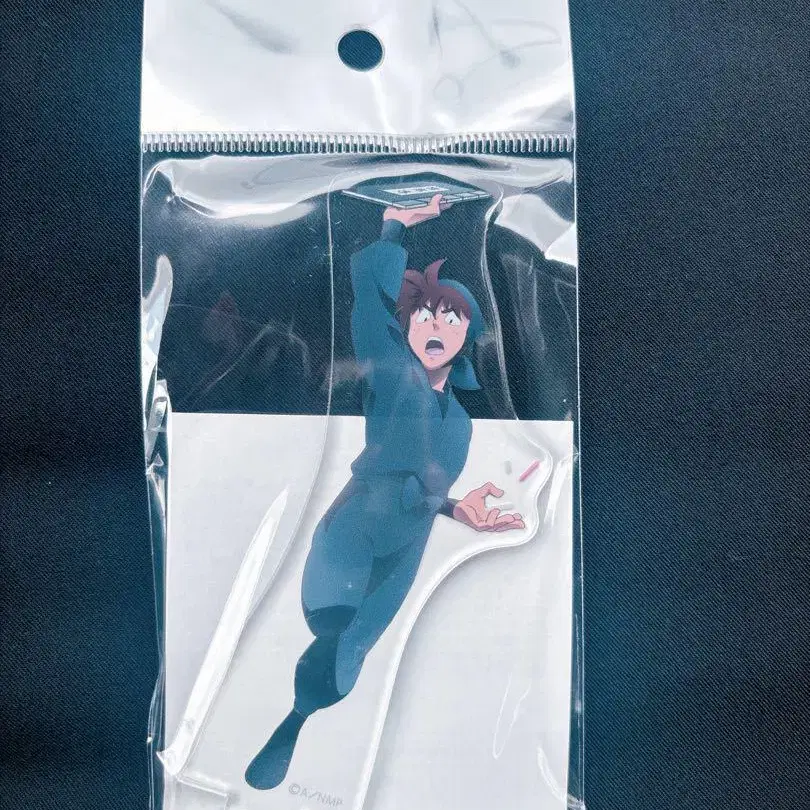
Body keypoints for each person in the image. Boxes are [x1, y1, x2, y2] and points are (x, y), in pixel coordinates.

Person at [245, 195, 524, 790]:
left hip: (399, 552)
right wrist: (392, 228)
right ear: (408, 327)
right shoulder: (395, 372)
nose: (437, 327)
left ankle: (307, 708)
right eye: (426, 316)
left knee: (352, 654)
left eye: (452, 320)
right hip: (355, 539)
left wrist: (459, 509)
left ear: (468, 336)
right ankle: (307, 701)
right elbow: (370, 310)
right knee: (339, 640)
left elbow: (425, 492)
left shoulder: (461, 422)